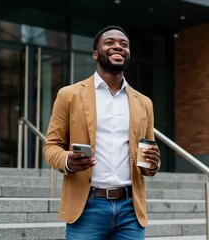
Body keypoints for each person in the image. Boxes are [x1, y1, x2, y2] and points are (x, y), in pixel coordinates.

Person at [43, 25, 161, 240]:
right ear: (96, 54)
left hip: (130, 209)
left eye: (124, 44)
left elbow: (147, 156)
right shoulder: (69, 95)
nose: (118, 46)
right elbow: (51, 146)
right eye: (110, 42)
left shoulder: (144, 103)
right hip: (87, 207)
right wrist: (68, 160)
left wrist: (152, 164)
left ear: (128, 54)